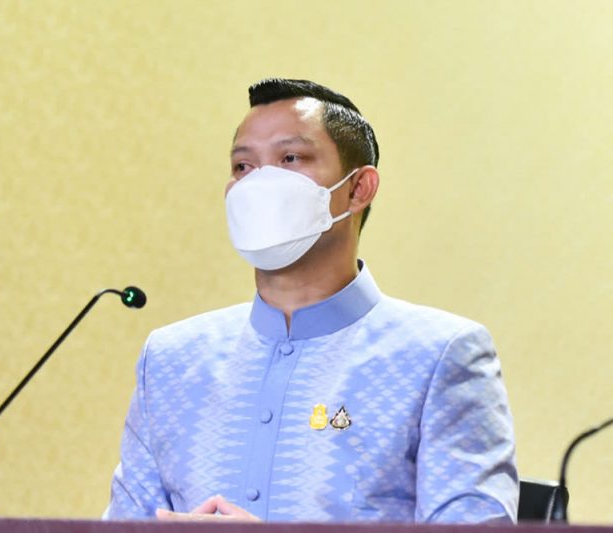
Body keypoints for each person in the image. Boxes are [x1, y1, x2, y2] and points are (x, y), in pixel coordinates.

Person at [104, 78, 518, 523]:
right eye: (243, 166)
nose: (260, 182)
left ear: (358, 189)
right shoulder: (169, 360)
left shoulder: (440, 354)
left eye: (290, 159)